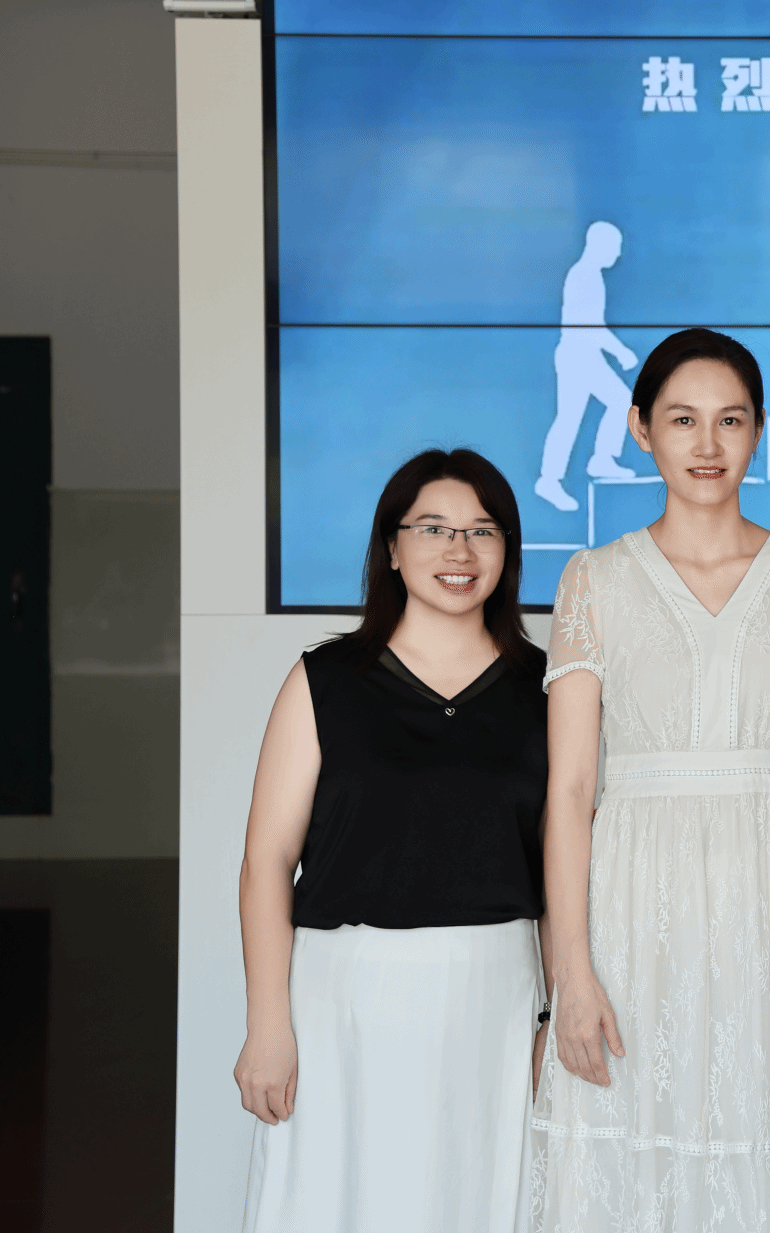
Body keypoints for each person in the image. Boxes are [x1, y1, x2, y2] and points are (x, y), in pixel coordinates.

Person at [530, 327, 770, 1232]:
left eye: (731, 419)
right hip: (631, 913)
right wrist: (572, 970)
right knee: (632, 1150)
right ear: (641, 428)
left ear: (759, 430)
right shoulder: (593, 579)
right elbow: (569, 790)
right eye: (683, 419)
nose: (708, 443)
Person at [236, 449, 549, 1233]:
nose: (459, 550)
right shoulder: (325, 679)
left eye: (483, 530)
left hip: (496, 997)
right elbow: (267, 860)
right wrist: (268, 1024)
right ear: (392, 547)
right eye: (434, 528)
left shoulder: (549, 689)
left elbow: (565, 872)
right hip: (344, 997)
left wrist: (554, 1014)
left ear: (507, 552)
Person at [536, 220, 641, 513]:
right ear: (599, 246)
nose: (618, 254)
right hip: (578, 357)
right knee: (586, 413)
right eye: (615, 247)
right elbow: (591, 327)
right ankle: (558, 477)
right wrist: (621, 352)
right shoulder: (584, 277)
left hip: (583, 356)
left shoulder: (588, 275)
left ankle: (591, 463)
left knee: (605, 407)